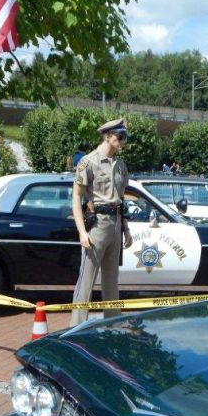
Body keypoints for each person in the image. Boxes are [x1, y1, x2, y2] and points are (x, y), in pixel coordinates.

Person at [70, 118, 133, 327]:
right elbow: (76, 197)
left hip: (115, 223)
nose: (123, 141)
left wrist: (126, 229)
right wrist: (81, 231)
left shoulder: (120, 165)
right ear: (108, 136)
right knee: (86, 279)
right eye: (120, 137)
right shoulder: (88, 162)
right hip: (97, 223)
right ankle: (75, 327)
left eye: (124, 137)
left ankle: (112, 323)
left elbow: (122, 199)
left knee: (111, 278)